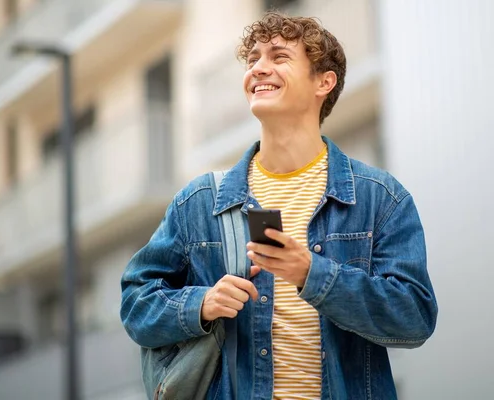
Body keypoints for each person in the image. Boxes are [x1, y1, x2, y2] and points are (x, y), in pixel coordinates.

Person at [121, 12, 437, 400]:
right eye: (253, 59)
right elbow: (136, 302)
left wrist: (312, 275)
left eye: (278, 57)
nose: (258, 69)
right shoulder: (199, 202)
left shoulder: (380, 198)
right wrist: (200, 303)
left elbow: (415, 317)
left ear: (324, 82)